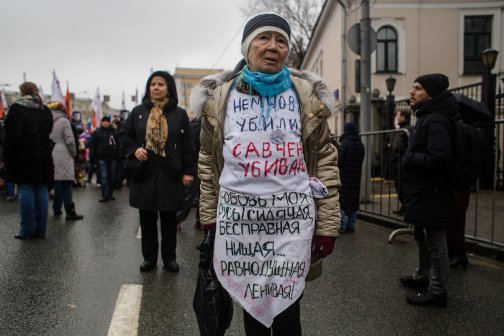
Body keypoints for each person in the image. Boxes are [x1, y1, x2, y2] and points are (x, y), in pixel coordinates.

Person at [191, 13, 340, 335]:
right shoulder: (220, 98)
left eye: (281, 40)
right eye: (263, 38)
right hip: (239, 225)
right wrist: (210, 217)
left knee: (288, 306)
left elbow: (325, 161)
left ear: (287, 51)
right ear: (247, 47)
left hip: (292, 225)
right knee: (252, 301)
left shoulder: (305, 97)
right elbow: (207, 161)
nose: (273, 46)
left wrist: (327, 225)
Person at [120, 71, 195, 273]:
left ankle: (169, 258)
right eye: (152, 84)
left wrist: (189, 171)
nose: (156, 88)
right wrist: (134, 149)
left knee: (170, 220)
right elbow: (124, 136)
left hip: (171, 174)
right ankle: (149, 259)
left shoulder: (179, 114)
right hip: (145, 174)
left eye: (160, 84)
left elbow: (188, 145)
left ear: (168, 88)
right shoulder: (137, 112)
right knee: (147, 219)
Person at [400, 73, 457, 307]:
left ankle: (438, 290)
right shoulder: (427, 117)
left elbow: (441, 158)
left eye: (418, 88)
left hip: (431, 192)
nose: (411, 92)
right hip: (422, 192)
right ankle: (422, 276)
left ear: (431, 94)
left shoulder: (436, 120)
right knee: (420, 236)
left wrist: (410, 157)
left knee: (435, 241)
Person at [4, 82, 53, 239]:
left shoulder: (17, 109)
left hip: (23, 156)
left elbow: (11, 136)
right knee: (41, 190)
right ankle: (41, 229)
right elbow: (48, 131)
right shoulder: (44, 110)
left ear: (22, 92)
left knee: (26, 189)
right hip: (43, 156)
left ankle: (27, 229)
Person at [47, 102, 83, 221]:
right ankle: (70, 211)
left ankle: (56, 209)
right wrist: (74, 153)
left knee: (57, 183)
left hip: (51, 152)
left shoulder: (46, 120)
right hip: (64, 153)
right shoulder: (64, 121)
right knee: (67, 184)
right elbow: (70, 139)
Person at [337, 122, 365, 233]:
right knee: (354, 202)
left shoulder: (344, 144)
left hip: (344, 177)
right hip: (356, 177)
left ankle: (342, 225)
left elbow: (339, 161)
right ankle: (351, 225)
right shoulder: (360, 144)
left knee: (342, 202)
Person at [175, 112, 201, 230]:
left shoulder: (211, 123)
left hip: (205, 166)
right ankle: (177, 220)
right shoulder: (195, 125)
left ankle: (200, 221)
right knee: (189, 196)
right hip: (196, 166)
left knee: (204, 197)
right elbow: (190, 148)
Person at [89, 115, 119, 202]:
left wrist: (119, 156)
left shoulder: (113, 132)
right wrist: (92, 158)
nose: (105, 122)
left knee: (112, 177)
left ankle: (110, 194)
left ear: (109, 122)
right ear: (102, 122)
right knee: (104, 177)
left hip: (113, 157)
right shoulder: (97, 132)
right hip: (101, 158)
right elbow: (92, 145)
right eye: (104, 121)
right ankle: (104, 195)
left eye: (107, 121)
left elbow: (118, 144)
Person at [391, 109, 412, 215]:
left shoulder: (408, 129)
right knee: (398, 185)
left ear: (403, 116)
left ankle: (407, 208)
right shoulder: (401, 129)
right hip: (397, 160)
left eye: (398, 115)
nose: (397, 117)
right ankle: (404, 206)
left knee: (402, 185)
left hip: (402, 160)